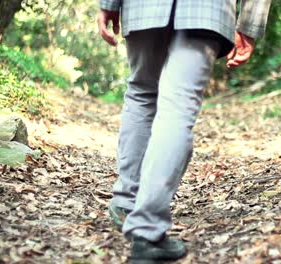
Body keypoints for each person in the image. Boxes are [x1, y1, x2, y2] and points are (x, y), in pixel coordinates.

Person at [98, 0, 271, 261]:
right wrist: (249, 24)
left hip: (144, 7)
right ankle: (146, 231)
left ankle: (126, 202)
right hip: (206, 10)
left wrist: (108, 4)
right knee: (178, 104)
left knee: (142, 93)